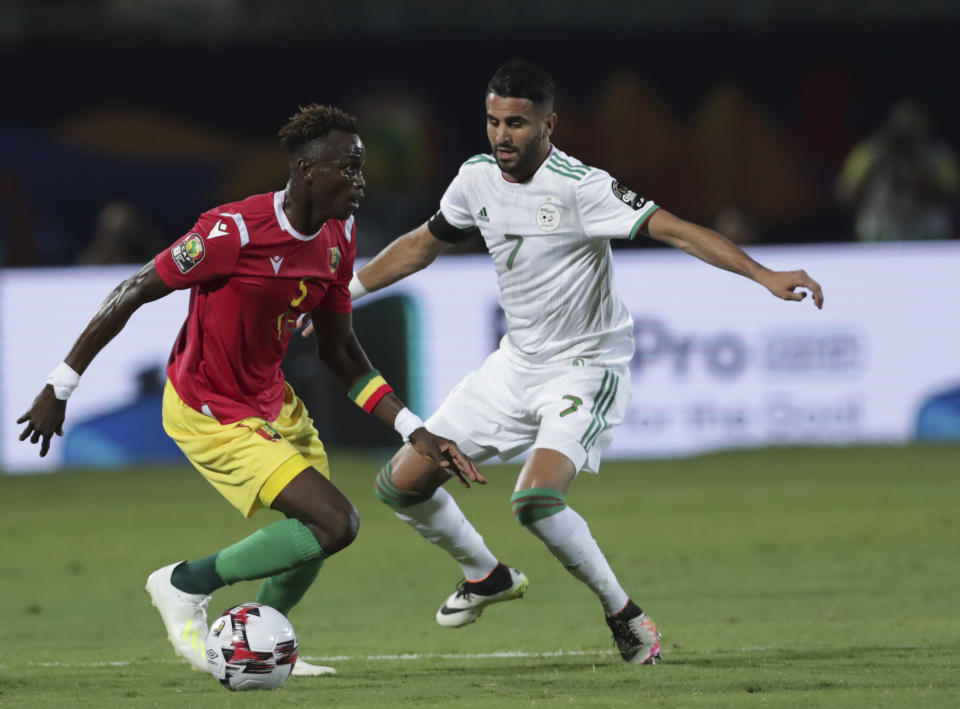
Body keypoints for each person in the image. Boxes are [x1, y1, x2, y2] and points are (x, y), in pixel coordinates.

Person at [310, 61, 824, 665]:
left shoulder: (583, 186)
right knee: (400, 484)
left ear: (548, 124)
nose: (502, 135)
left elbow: (678, 231)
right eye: (493, 121)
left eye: (517, 123)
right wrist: (344, 291)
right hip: (513, 367)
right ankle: (485, 575)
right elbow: (425, 244)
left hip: (585, 367)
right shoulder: (475, 179)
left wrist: (764, 275)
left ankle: (626, 615)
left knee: (534, 503)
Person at [17, 104, 480, 677]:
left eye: (363, 170)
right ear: (309, 170)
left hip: (272, 400)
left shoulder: (340, 235)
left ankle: (258, 642)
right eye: (351, 168)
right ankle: (183, 583)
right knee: (336, 523)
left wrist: (415, 431)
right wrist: (60, 385)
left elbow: (340, 353)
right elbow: (134, 290)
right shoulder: (229, 232)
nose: (363, 183)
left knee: (315, 533)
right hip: (208, 408)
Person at [836, 99, 959, 242]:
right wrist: (878, 165)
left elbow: (950, 197)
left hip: (927, 236)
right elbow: (845, 197)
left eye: (914, 126)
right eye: (903, 126)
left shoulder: (939, 156)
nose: (908, 131)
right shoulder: (869, 153)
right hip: (879, 235)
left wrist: (918, 166)